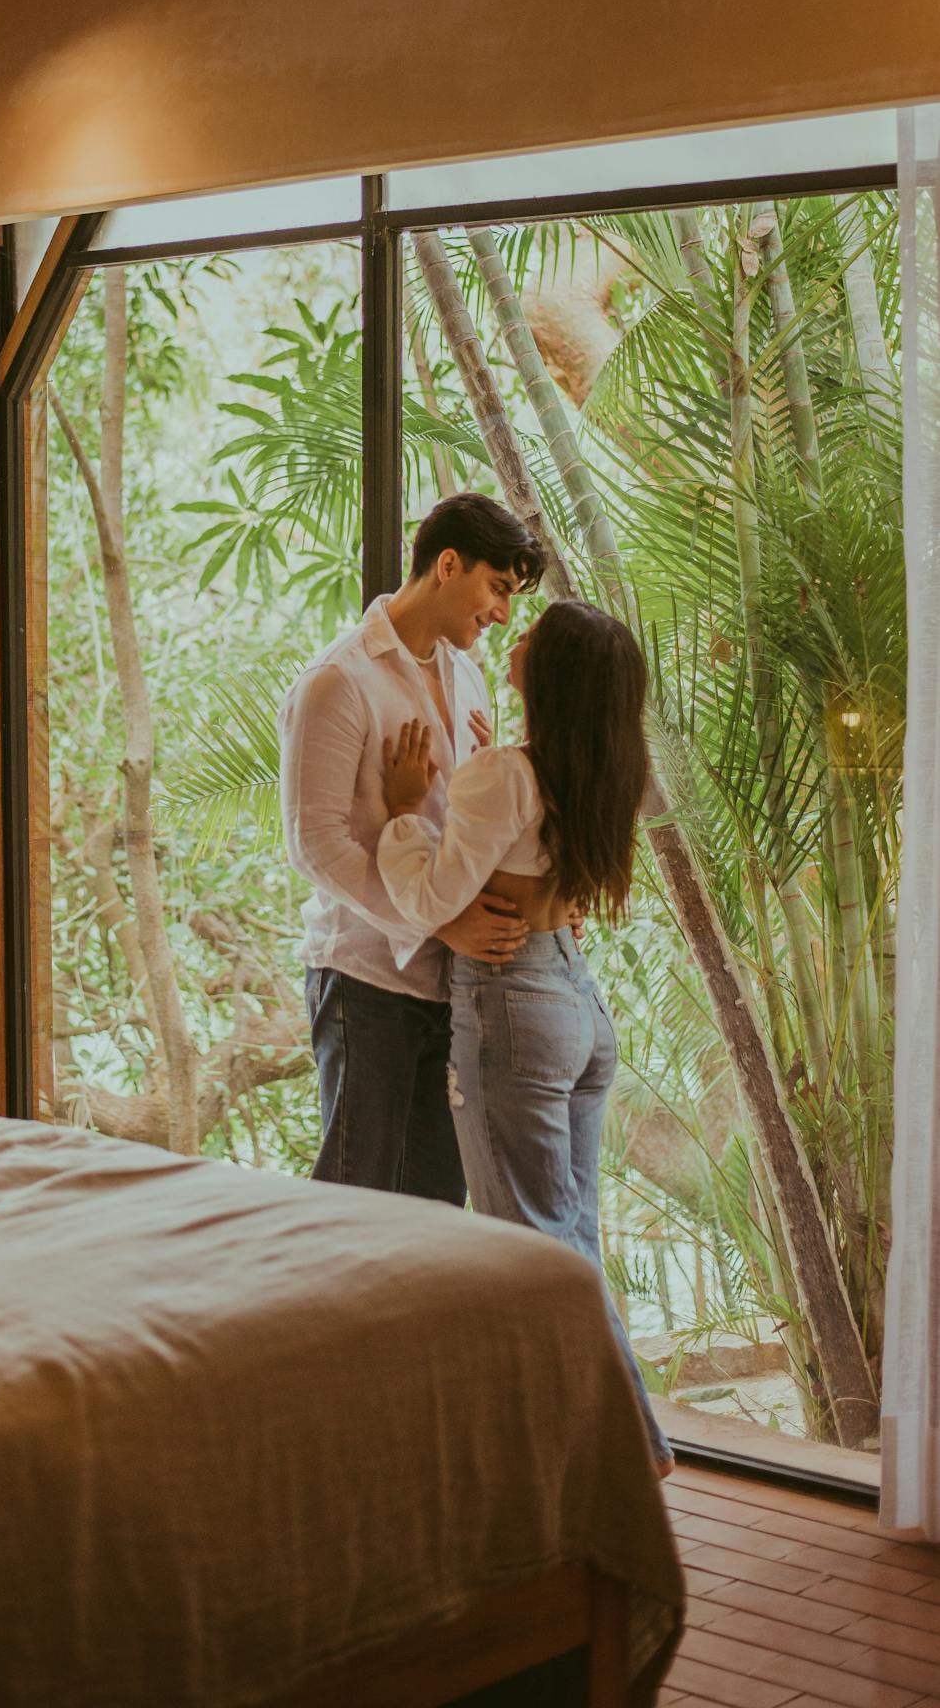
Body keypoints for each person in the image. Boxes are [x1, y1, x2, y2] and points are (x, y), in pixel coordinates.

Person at [376, 599, 674, 1473]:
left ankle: (623, 1453)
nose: (517, 632)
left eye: (533, 631)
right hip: (575, 1003)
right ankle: (609, 1444)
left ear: (553, 673)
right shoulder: (607, 770)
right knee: (567, 1235)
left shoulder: (504, 774)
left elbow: (430, 898)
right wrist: (478, 763)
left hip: (511, 1005)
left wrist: (403, 812)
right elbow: (535, 837)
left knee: (534, 1250)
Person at [279, 493, 546, 1206]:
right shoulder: (339, 681)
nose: (501, 614)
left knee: (434, 1203)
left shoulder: (466, 673)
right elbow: (314, 844)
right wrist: (438, 921)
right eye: (497, 588)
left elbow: (466, 817)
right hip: (367, 979)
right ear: (447, 564)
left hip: (452, 982)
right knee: (354, 1195)